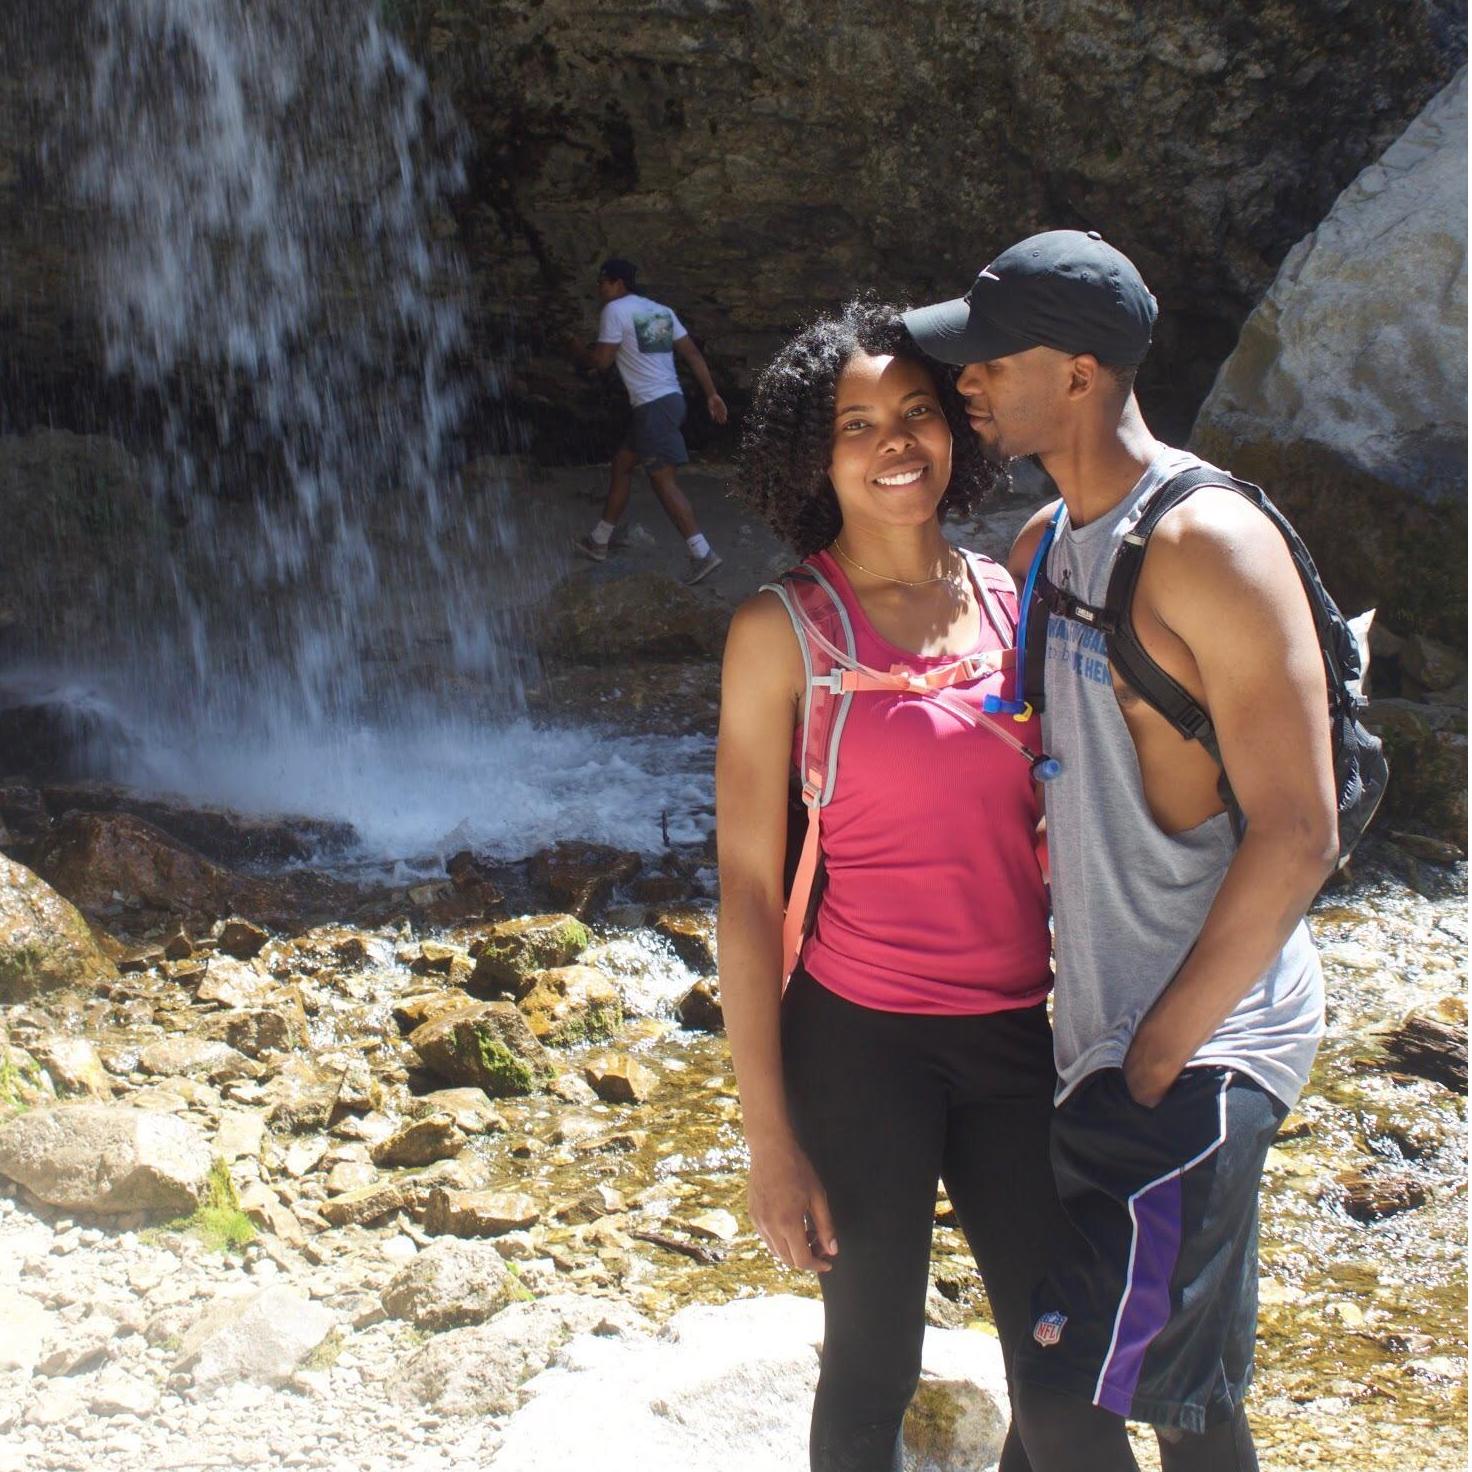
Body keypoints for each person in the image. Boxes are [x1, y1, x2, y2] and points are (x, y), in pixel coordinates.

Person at [904, 230, 1337, 1472]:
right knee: (1156, 1389)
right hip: (1093, 1042)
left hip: (1196, 1050)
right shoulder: (1048, 543)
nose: (965, 380)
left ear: (1080, 372)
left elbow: (1299, 829)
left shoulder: (1208, 544)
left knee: (1075, 1384)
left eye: (989, 357)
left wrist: (1155, 1056)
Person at [716, 298, 1078, 1472]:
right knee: (872, 1361)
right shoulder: (780, 632)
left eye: (917, 412)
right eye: (856, 423)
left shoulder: (1009, 599)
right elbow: (745, 892)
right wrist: (769, 1140)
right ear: (811, 458)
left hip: (1018, 1034)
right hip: (858, 1040)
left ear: (956, 428)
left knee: (1061, 1365)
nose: (894, 443)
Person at [569, 257, 728, 584]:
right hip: (668, 401)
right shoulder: (660, 311)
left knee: (662, 480)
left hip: (653, 407)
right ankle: (600, 539)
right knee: (623, 464)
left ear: (618, 284)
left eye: (603, 282)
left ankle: (702, 552)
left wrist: (575, 350)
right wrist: (712, 394)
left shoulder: (615, 311)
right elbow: (693, 354)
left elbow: (601, 362)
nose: (599, 289)